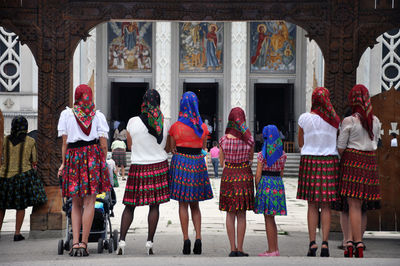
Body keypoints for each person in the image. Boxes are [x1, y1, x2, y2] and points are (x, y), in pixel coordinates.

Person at [57, 84, 110, 256]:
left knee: (76, 203)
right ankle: (84, 243)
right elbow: (103, 144)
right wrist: (102, 161)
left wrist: (64, 163)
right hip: (92, 158)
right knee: (89, 203)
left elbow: (65, 143)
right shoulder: (98, 116)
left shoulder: (67, 115)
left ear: (76, 97)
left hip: (73, 158)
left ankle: (75, 243)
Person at [116, 89, 170, 256]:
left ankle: (122, 241)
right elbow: (166, 147)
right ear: (158, 102)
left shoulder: (132, 121)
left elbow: (130, 146)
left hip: (138, 166)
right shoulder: (164, 122)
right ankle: (149, 242)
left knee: (130, 206)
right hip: (158, 166)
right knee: (154, 206)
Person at [337, 84, 381, 258]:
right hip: (369, 162)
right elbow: (375, 144)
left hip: (352, 161)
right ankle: (360, 241)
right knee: (362, 207)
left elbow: (341, 148)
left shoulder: (349, 121)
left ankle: (352, 242)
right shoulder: (376, 121)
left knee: (353, 205)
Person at [297, 87, 340, 257]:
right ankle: (325, 244)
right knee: (327, 205)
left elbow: (300, 142)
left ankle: (312, 242)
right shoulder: (335, 120)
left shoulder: (305, 118)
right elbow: (337, 141)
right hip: (329, 161)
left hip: (310, 161)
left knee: (312, 204)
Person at [168, 91, 213, 255]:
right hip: (197, 164)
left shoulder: (175, 127)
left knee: (182, 203)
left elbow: (171, 148)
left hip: (181, 163)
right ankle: (199, 238)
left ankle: (186, 239)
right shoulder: (202, 127)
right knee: (195, 205)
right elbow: (202, 148)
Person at [0, 116, 47, 241]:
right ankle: (17, 233)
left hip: (4, 176)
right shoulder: (30, 141)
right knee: (20, 206)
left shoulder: (5, 140)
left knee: (1, 206)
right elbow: (34, 160)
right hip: (22, 176)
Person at [219, 107, 254, 257]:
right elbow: (251, 158)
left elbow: (221, 162)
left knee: (230, 213)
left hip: (228, 176)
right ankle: (240, 248)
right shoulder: (249, 139)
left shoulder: (223, 140)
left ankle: (232, 248)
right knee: (241, 214)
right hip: (244, 175)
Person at [254, 125, 287, 257]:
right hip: (277, 184)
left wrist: (258, 188)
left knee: (268, 219)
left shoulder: (263, 154)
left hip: (266, 184)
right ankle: (274, 248)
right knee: (271, 219)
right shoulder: (282, 154)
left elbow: (258, 175)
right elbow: (282, 173)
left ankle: (272, 249)